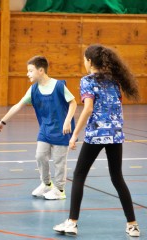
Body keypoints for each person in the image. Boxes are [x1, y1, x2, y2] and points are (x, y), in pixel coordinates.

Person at [53, 44, 140, 237]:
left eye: (84, 59)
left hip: (96, 135)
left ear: (90, 61)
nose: (84, 62)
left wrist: (75, 134)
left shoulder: (87, 81)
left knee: (79, 175)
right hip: (116, 135)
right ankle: (132, 225)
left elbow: (88, 108)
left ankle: (72, 222)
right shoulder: (115, 81)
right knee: (117, 177)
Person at [0, 56, 77, 200]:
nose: (28, 74)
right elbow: (18, 105)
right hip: (45, 129)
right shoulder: (33, 89)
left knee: (59, 161)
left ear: (41, 70)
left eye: (30, 71)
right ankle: (46, 183)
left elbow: (73, 103)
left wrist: (67, 121)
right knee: (40, 155)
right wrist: (2, 121)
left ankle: (60, 190)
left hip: (62, 130)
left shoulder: (59, 86)